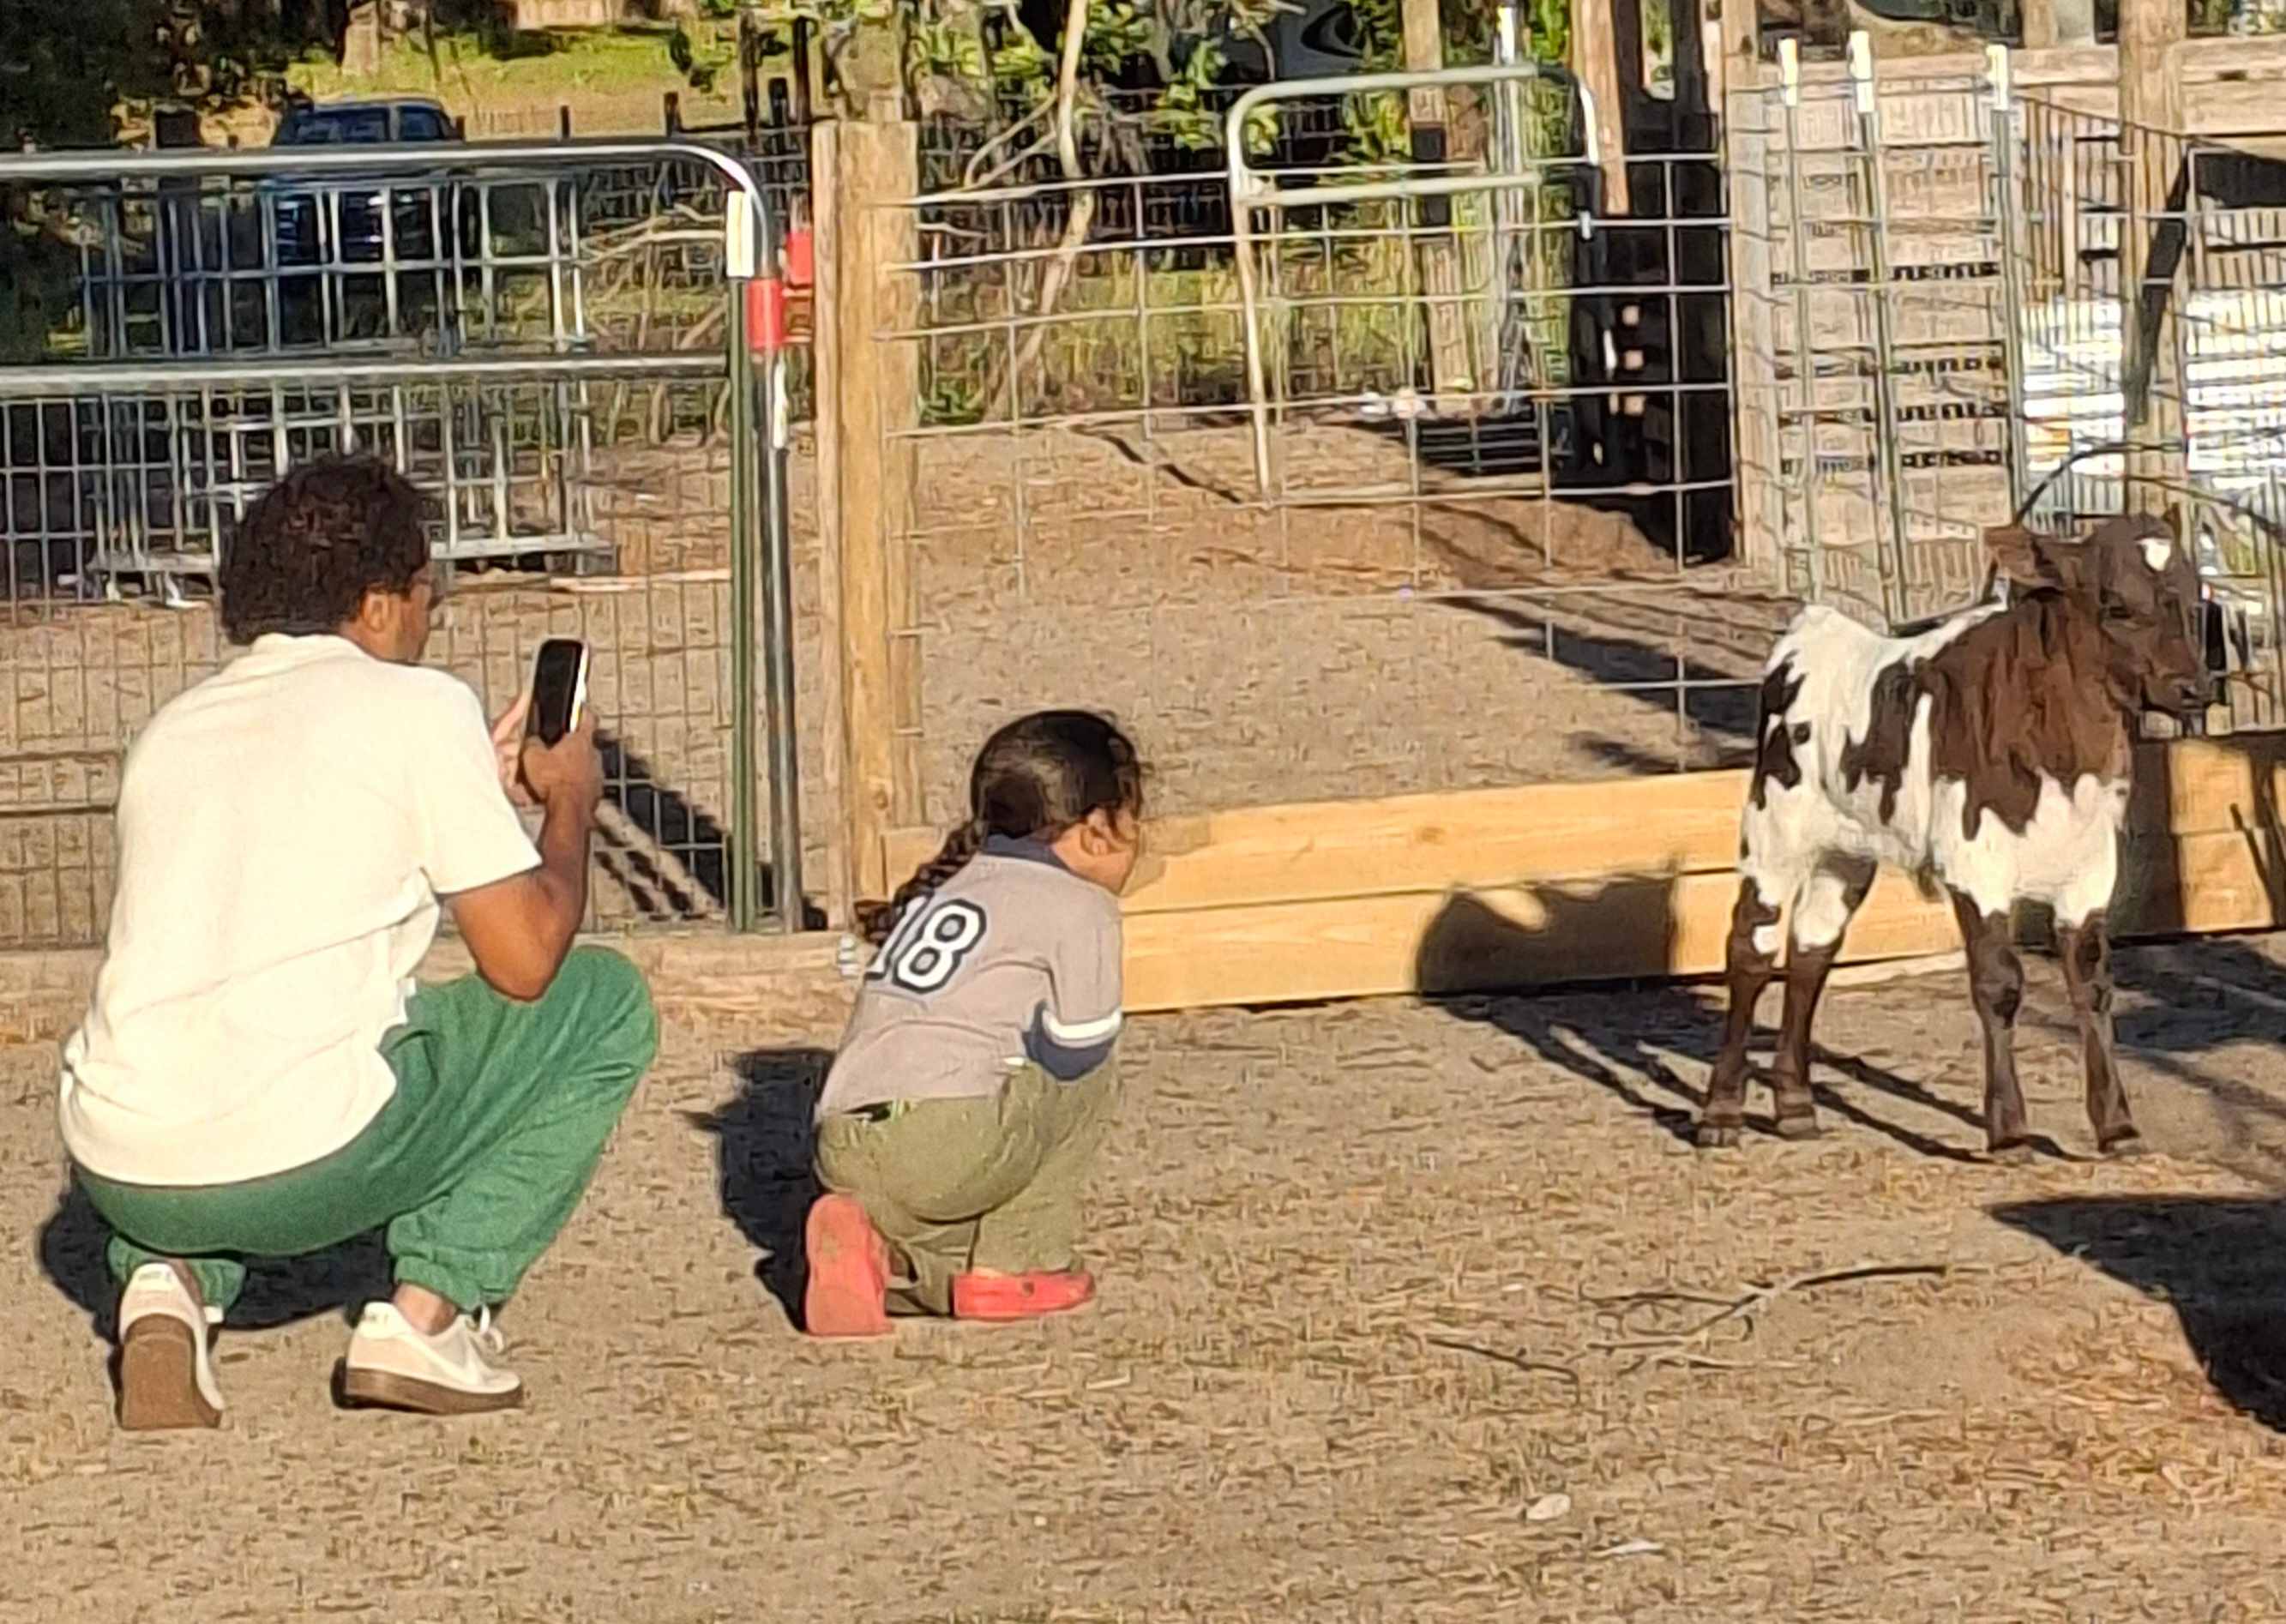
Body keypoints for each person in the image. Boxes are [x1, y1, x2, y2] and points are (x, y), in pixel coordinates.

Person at [57, 456, 658, 1430]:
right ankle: (426, 1315)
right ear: (380, 604)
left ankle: (164, 1283)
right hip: (302, 1160)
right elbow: (525, 958)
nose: (428, 619)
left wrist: (463, 790)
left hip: (121, 1163)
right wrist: (569, 807)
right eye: (429, 593)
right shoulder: (417, 708)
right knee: (601, 1003)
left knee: (203, 1035)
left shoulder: (172, 729)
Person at [804, 710, 1144, 1338]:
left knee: (953, 1192)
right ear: (1098, 829)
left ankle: (881, 1252)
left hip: (841, 1145)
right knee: (1090, 1080)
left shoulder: (950, 888)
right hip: (944, 1141)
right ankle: (1017, 1264)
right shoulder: (1080, 905)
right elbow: (1080, 1049)